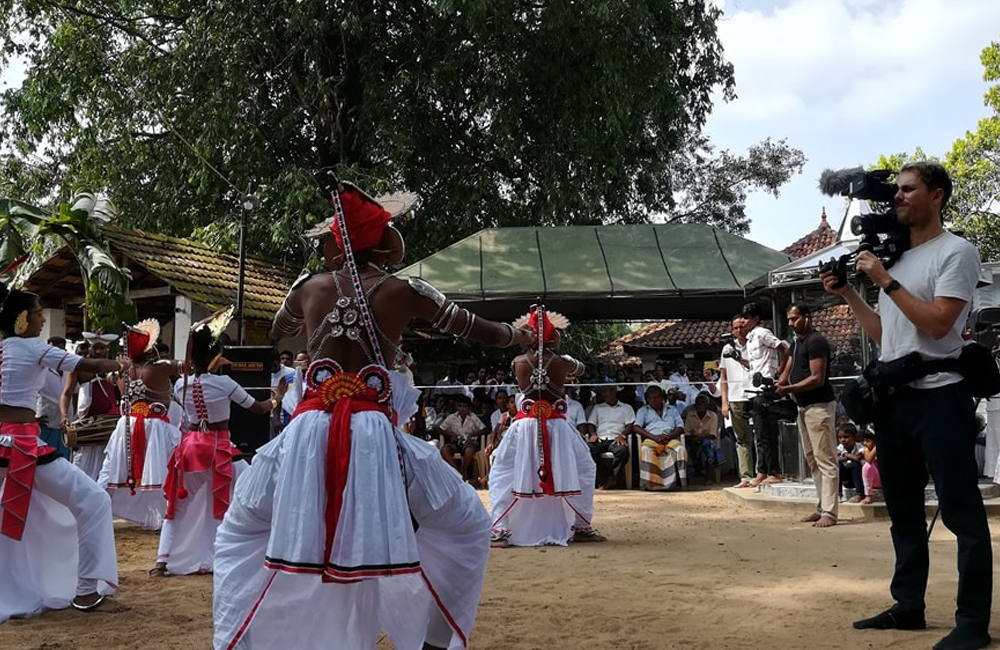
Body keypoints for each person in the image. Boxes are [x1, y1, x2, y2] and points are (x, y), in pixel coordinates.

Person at [212, 181, 533, 649]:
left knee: (240, 529)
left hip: (303, 434)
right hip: (375, 438)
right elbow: (479, 331)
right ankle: (432, 640)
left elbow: (278, 331)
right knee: (468, 523)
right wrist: (517, 335)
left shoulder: (307, 288)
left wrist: (308, 320)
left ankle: (238, 639)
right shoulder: (405, 290)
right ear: (384, 243)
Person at [822, 161, 991, 649]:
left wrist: (884, 279)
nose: (896, 197)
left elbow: (938, 325)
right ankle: (908, 606)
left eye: (907, 189)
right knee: (903, 512)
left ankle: (972, 624)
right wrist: (852, 291)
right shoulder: (893, 260)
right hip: (896, 401)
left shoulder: (957, 252)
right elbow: (888, 335)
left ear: (936, 196)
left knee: (962, 514)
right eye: (895, 190)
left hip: (943, 396)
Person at [0, 284, 125, 619]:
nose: (43, 319)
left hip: (8, 444)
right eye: (39, 313)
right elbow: (88, 364)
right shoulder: (32, 349)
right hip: (23, 446)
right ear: (23, 319)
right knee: (94, 500)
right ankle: (85, 590)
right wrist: (122, 363)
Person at [151, 308, 285, 577]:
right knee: (250, 490)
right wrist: (277, 399)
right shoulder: (225, 383)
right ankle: (248, 549)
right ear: (216, 356)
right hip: (220, 450)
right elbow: (258, 409)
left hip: (189, 449)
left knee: (177, 507)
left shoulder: (181, 386)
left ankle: (162, 560)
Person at [488, 306, 602, 547]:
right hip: (557, 428)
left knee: (503, 471)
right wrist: (564, 365)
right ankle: (581, 526)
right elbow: (581, 369)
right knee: (584, 468)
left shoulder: (517, 361)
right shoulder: (562, 362)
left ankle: (500, 529)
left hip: (525, 426)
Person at [97, 318, 183, 530]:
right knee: (174, 470)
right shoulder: (160, 367)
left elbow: (105, 376)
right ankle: (174, 517)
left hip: (125, 426)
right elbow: (189, 366)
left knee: (109, 473)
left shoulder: (120, 371)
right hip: (156, 429)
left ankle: (96, 511)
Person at [777, 302, 839, 528]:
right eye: (790, 320)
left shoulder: (816, 341)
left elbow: (817, 378)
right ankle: (822, 507)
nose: (792, 324)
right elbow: (788, 368)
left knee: (826, 460)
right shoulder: (797, 342)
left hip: (819, 406)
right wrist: (779, 382)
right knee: (813, 460)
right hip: (803, 407)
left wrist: (789, 389)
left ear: (807, 317)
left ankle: (830, 513)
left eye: (795, 319)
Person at [742, 302, 791, 487]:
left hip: (767, 389)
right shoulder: (749, 339)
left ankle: (774, 471)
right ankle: (762, 471)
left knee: (768, 433)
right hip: (754, 389)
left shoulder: (763, 333)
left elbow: (785, 348)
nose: (744, 321)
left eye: (747, 318)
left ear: (755, 319)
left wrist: (781, 372)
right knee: (760, 434)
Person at [61, 331, 121, 481]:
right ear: (89, 348)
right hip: (86, 422)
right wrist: (64, 415)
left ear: (107, 349)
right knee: (82, 467)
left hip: (109, 423)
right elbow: (66, 393)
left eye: (102, 348)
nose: (99, 351)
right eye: (96, 348)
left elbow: (123, 394)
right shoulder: (79, 367)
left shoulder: (115, 367)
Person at [719, 315, 755, 488]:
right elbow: (723, 377)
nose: (739, 331)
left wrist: (739, 358)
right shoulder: (726, 348)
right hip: (735, 397)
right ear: (732, 330)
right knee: (741, 439)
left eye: (742, 327)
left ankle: (762, 473)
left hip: (755, 394)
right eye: (736, 328)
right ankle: (746, 476)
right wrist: (724, 402)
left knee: (759, 437)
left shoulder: (754, 345)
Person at [634, 385, 687, 490]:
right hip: (651, 439)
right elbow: (636, 427)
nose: (652, 400)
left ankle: (679, 483)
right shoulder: (643, 410)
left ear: (662, 398)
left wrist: (669, 436)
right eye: (650, 398)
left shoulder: (672, 410)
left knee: (680, 449)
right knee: (645, 450)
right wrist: (655, 438)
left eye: (655, 398)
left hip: (670, 438)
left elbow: (680, 427)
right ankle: (651, 484)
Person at [583, 384, 635, 489]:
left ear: (613, 392)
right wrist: (593, 434)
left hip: (616, 438)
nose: (603, 394)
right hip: (600, 438)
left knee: (622, 452)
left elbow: (630, 425)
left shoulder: (626, 408)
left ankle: (610, 478)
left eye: (605, 391)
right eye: (603, 392)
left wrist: (622, 435)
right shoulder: (597, 408)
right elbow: (591, 424)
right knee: (588, 450)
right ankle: (608, 476)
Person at [438, 393, 488, 486]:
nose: (462, 409)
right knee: (444, 450)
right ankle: (458, 474)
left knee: (469, 451)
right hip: (457, 442)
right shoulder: (452, 417)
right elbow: (440, 428)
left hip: (470, 442)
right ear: (457, 406)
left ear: (469, 408)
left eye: (465, 406)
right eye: (460, 406)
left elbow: (485, 429)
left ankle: (462, 471)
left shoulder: (473, 417)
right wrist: (450, 434)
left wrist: (472, 434)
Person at [837, 424, 865, 503]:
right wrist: (850, 456)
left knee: (855, 463)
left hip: (858, 479)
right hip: (846, 480)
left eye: (846, 437)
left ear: (855, 437)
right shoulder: (840, 447)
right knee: (837, 466)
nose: (842, 440)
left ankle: (860, 494)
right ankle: (838, 494)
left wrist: (843, 454)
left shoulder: (860, 447)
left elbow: (857, 458)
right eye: (840, 437)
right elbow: (834, 460)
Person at [861, 431, 881, 505]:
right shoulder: (866, 450)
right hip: (875, 480)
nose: (865, 443)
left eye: (868, 441)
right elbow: (869, 459)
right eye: (864, 441)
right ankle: (868, 495)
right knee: (867, 466)